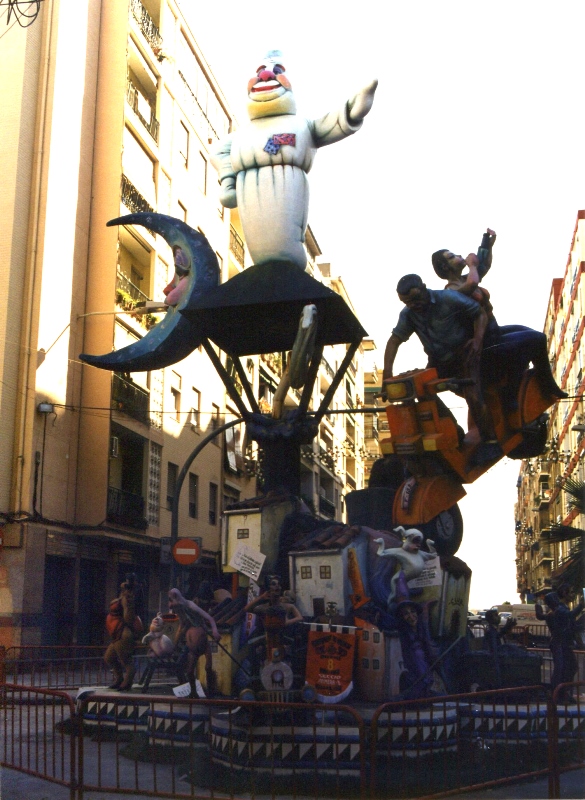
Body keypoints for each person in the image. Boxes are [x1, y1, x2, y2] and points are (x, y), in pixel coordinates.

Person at [383, 273, 501, 465]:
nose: (413, 305)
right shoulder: (408, 314)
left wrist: (477, 340)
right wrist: (387, 375)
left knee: (473, 395)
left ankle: (491, 441)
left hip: (464, 355)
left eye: (415, 298)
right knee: (421, 392)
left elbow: (479, 313)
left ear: (423, 287)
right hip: (438, 361)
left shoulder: (448, 298)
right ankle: (454, 431)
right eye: (407, 302)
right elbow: (394, 340)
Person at [168, 588, 221, 697]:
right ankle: (193, 692)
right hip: (192, 647)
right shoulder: (180, 610)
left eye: (171, 600)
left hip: (203, 643)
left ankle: (211, 693)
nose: (170, 605)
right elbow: (181, 626)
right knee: (189, 671)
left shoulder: (190, 605)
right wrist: (175, 645)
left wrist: (215, 631)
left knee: (208, 667)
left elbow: (210, 618)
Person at [535, 591, 584, 700]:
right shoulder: (557, 612)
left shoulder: (556, 611)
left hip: (563, 643)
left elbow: (571, 624)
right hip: (559, 643)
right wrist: (581, 605)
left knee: (570, 667)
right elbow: (570, 615)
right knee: (561, 669)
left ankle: (563, 690)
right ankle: (558, 692)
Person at [243, 575, 303, 662]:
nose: (277, 586)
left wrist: (287, 622)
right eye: (273, 584)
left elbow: (300, 617)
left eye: (278, 584)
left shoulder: (287, 606)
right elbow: (246, 609)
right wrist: (261, 597)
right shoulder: (264, 608)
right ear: (268, 589)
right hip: (268, 639)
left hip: (282, 639)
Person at [104, 573, 143, 691]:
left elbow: (128, 618)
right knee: (109, 657)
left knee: (125, 660)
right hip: (116, 633)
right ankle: (119, 678)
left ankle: (127, 682)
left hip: (122, 633)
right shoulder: (123, 596)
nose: (124, 585)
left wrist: (128, 604)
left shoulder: (127, 598)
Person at [396, 600, 439, 699]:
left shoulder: (422, 629)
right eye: (406, 614)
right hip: (414, 666)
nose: (411, 616)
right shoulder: (404, 633)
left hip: (425, 665)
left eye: (413, 611)